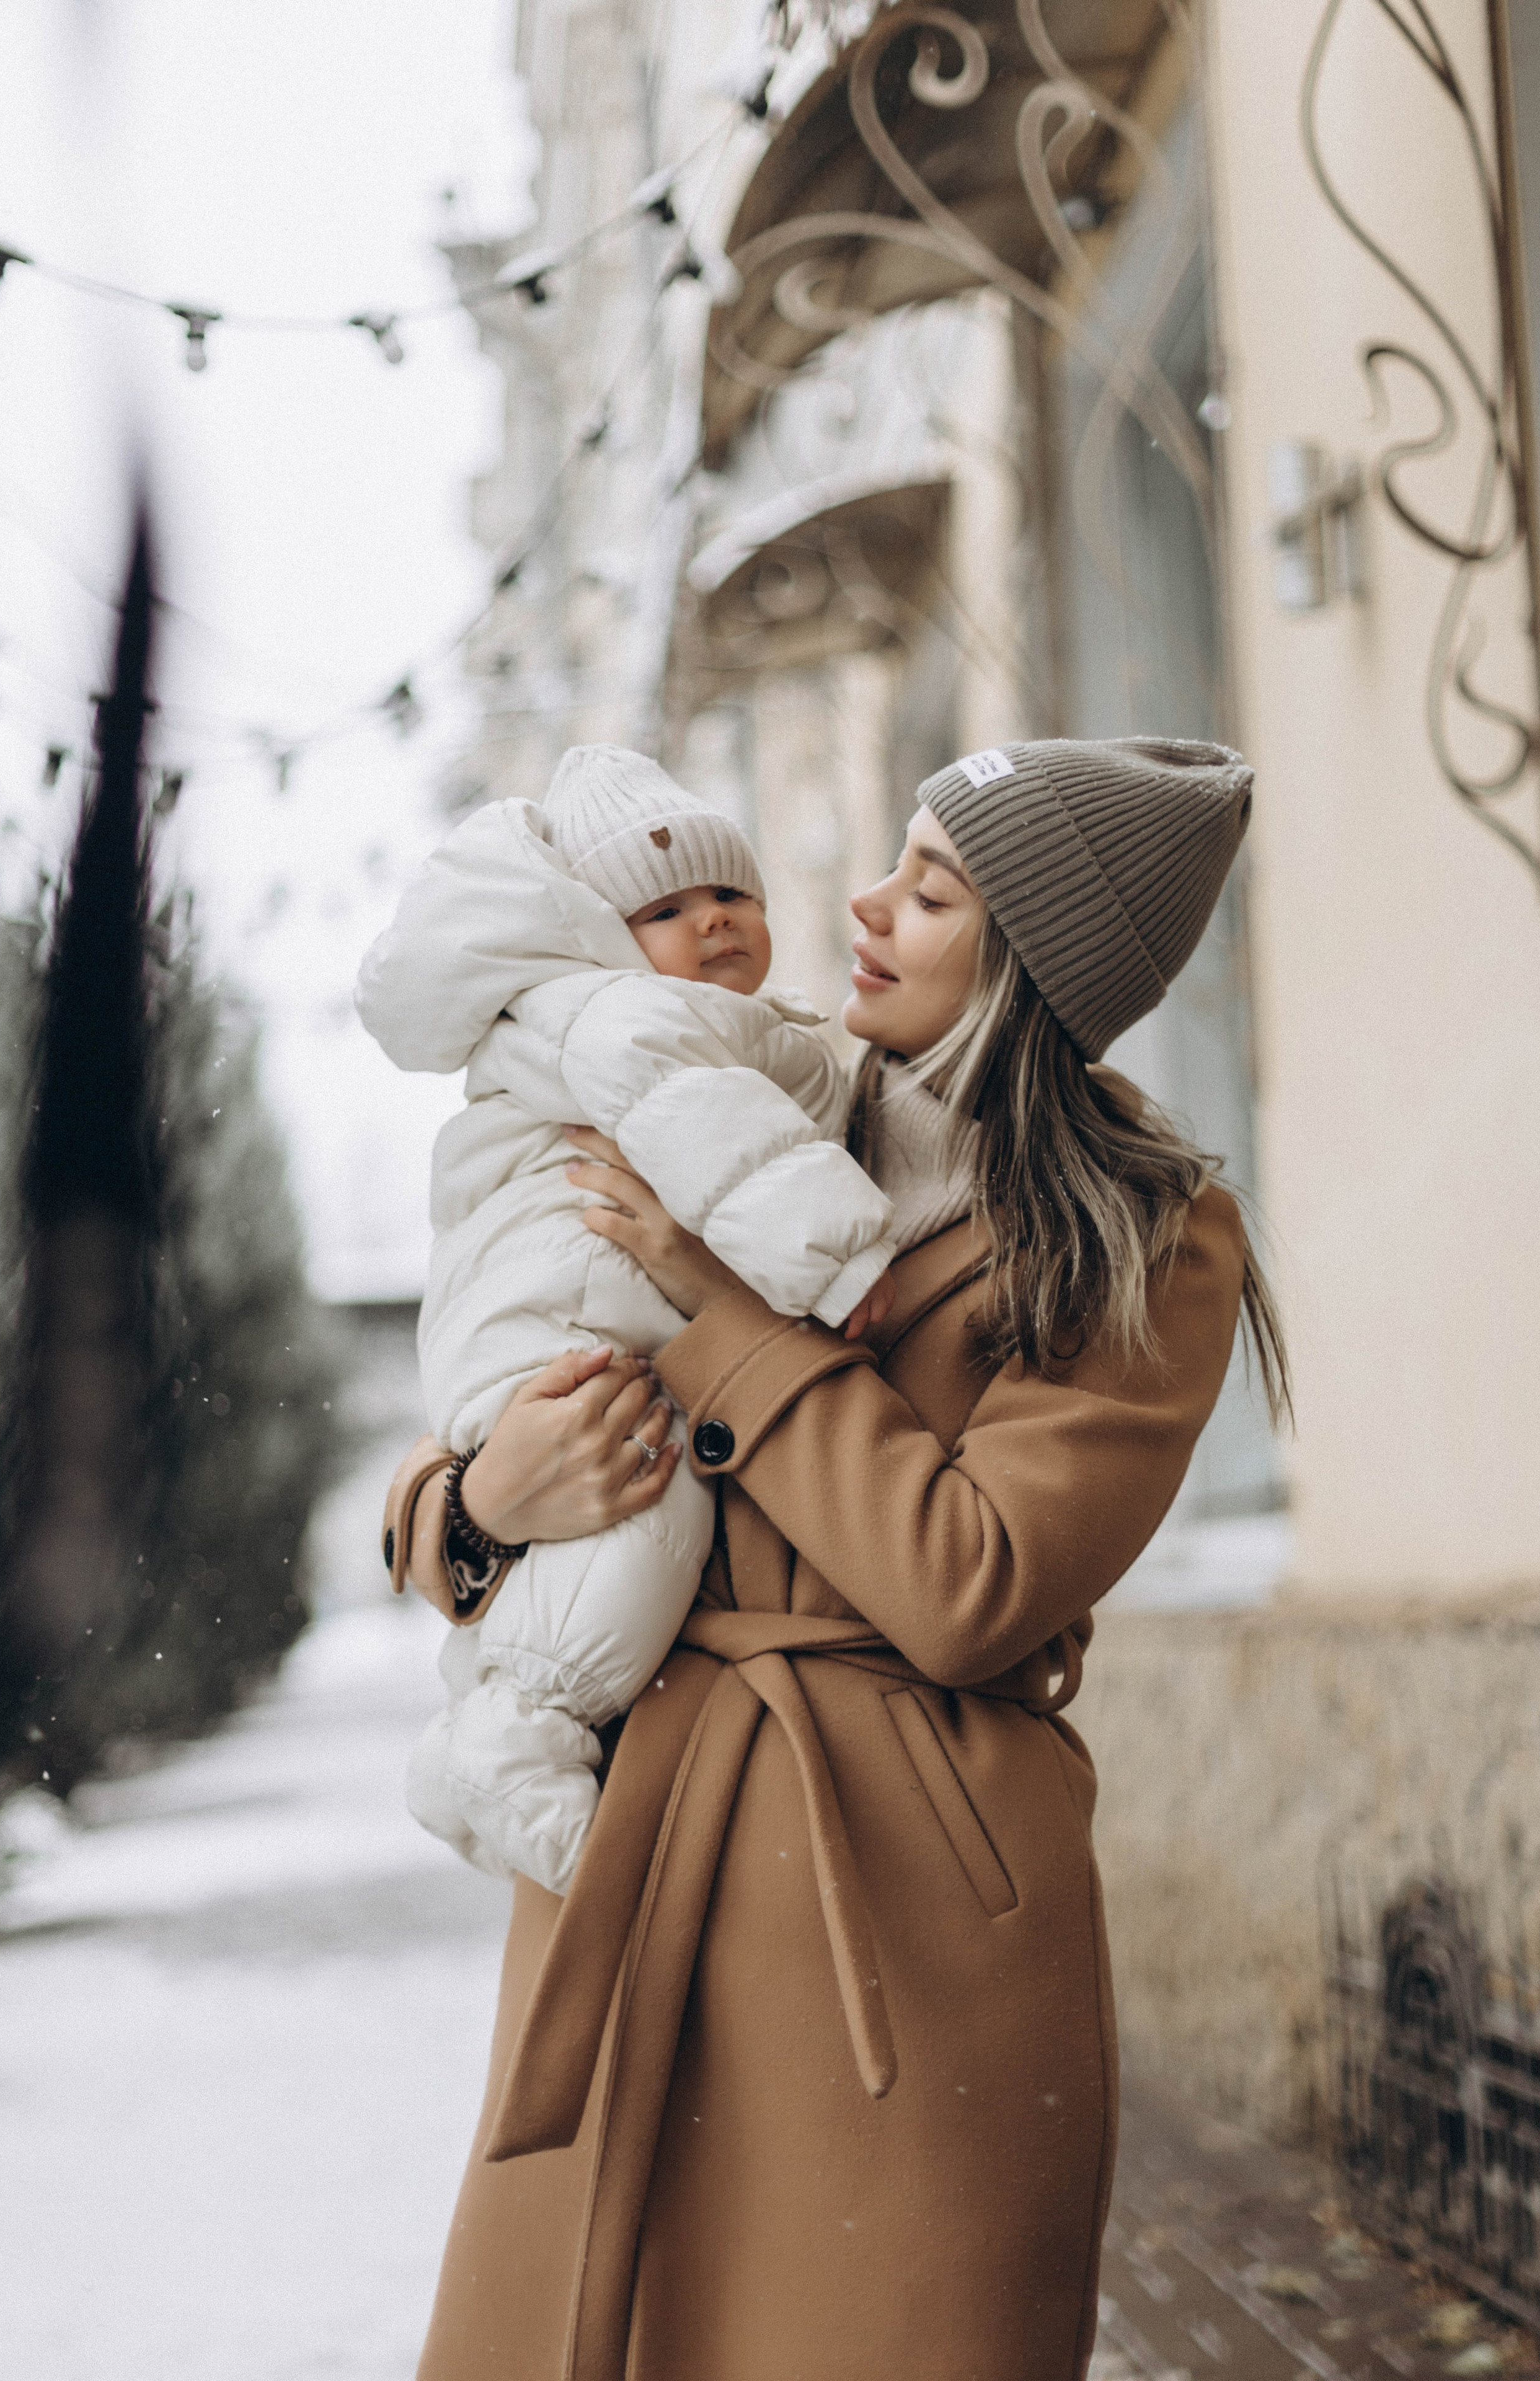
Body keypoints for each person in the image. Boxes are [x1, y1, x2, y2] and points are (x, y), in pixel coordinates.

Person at [385, 737, 1290, 2381]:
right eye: (895, 861)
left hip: (897, 1908)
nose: (865, 905)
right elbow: (511, 1325)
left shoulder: (1149, 1236)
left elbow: (970, 1584)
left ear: (1031, 960)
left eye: (934, 890)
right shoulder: (735, 1088)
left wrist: (721, 1318)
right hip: (637, 1860)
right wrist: (478, 1502)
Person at [357, 744, 895, 1895]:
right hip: (559, 1337)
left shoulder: (716, 1028)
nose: (711, 924)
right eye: (665, 907)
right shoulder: (622, 1018)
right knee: (649, 1507)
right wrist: (840, 1259)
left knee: (618, 1524)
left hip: (570, 1351)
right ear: (599, 932)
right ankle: (510, 1735)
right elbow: (722, 1142)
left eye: (731, 895)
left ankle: (494, 1729)